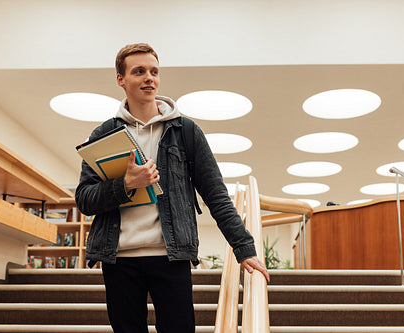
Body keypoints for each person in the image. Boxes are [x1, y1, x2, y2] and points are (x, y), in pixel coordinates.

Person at [75, 43, 269, 333]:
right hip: (119, 258)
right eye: (139, 71)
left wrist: (244, 247)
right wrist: (126, 184)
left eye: (154, 71)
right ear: (121, 79)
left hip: (171, 255)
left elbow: (215, 194)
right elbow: (84, 199)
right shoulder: (104, 134)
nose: (149, 78)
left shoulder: (185, 130)